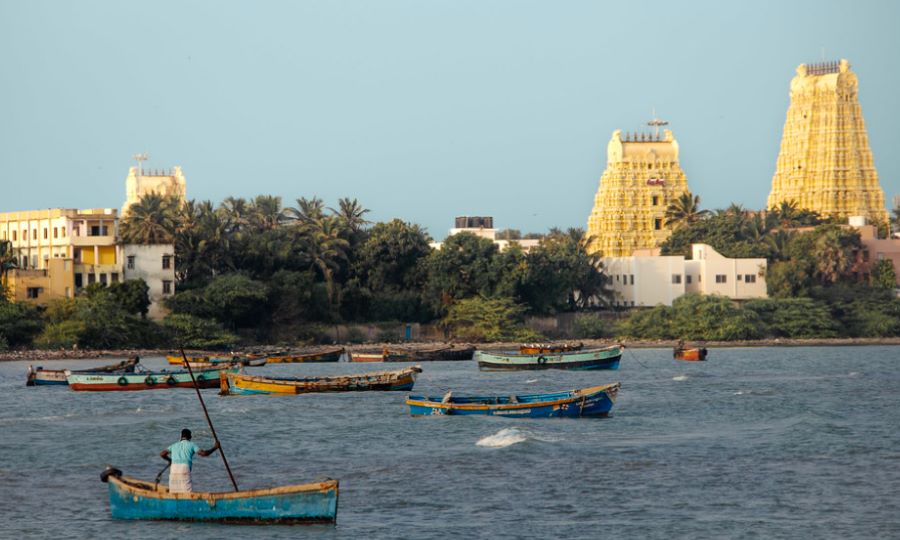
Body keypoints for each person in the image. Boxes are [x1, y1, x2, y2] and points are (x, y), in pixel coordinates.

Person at [160, 429, 220, 493]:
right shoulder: (191, 444)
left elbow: (162, 454)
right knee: (187, 492)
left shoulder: (174, 445)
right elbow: (203, 453)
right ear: (190, 437)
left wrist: (170, 460)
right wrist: (215, 447)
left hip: (173, 468)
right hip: (184, 467)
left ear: (181, 436)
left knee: (174, 490)